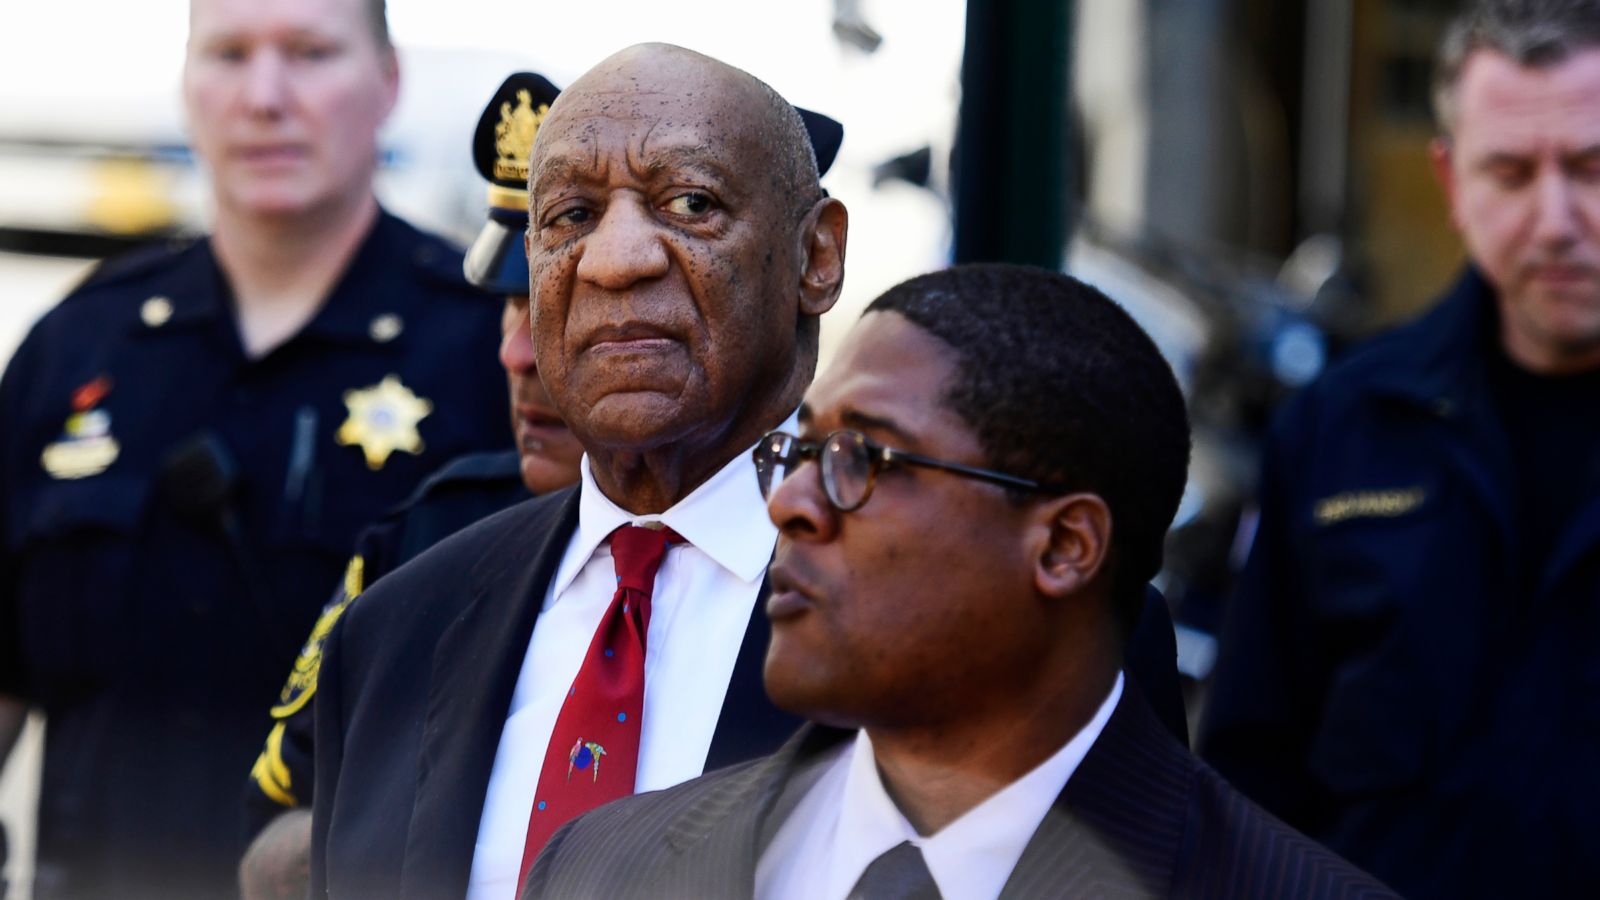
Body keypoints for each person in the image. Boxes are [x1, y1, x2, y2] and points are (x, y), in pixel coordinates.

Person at [310, 44, 1190, 900]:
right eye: (571, 216)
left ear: (818, 257)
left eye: (690, 203)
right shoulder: (395, 633)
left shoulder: (1014, 629)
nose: (616, 261)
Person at [521, 264, 1396, 900]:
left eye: (861, 457)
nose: (789, 503)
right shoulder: (603, 868)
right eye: (800, 452)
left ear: (1063, 546)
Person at [0, 0, 513, 896]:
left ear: (388, 82)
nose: (265, 96)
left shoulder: (492, 357)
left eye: (311, 53)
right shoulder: (78, 346)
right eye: (229, 54)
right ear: (187, 84)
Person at [1198, 2, 1600, 897]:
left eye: (1591, 167)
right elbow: (1250, 783)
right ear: (1453, 182)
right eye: (1511, 172)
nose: (1556, 220)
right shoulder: (1342, 428)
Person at [236, 71, 584, 900]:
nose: (519, 355)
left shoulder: (810, 539)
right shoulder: (429, 539)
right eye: (509, 304)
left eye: (567, 302)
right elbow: (272, 830)